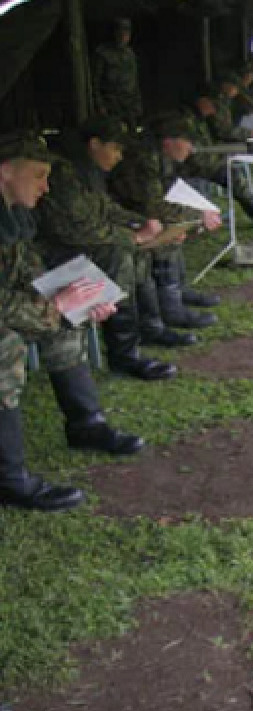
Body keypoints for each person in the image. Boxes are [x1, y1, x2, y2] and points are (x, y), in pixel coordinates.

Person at [0, 131, 145, 511]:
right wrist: (56, 306)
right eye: (37, 175)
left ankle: (86, 423)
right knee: (5, 346)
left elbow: (26, 272)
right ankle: (10, 480)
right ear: (5, 172)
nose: (46, 188)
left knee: (63, 324)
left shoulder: (12, 216)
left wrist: (76, 301)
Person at [36, 118, 192, 382]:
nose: (119, 157)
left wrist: (139, 223)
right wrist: (132, 237)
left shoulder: (86, 171)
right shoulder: (64, 174)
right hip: (47, 249)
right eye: (116, 149)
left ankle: (149, 327)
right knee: (119, 254)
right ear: (95, 144)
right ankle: (123, 355)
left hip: (70, 243)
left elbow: (106, 209)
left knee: (134, 253)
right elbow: (75, 230)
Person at [107, 114, 224, 329]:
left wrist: (192, 213)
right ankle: (171, 309)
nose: (191, 148)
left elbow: (168, 192)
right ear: (168, 142)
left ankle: (177, 291)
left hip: (134, 211)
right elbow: (154, 204)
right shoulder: (144, 159)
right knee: (168, 231)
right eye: (187, 142)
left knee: (175, 226)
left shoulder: (159, 156)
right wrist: (197, 216)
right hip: (123, 214)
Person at [91, 18, 141, 130]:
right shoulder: (103, 53)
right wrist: (100, 105)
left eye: (126, 32)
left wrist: (137, 104)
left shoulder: (130, 55)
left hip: (129, 103)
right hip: (112, 103)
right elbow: (95, 82)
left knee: (132, 134)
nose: (123, 36)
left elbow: (134, 81)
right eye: (121, 32)